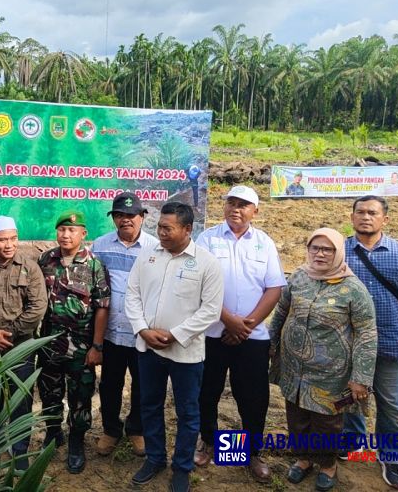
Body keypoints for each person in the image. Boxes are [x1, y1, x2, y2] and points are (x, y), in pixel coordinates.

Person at [124, 202, 223, 492]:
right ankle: (155, 458)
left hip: (186, 353)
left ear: (188, 229)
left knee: (188, 412)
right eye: (160, 227)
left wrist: (176, 334)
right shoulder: (148, 256)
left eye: (168, 228)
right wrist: (143, 329)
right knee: (150, 405)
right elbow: (133, 294)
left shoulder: (207, 263)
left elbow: (211, 310)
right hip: (149, 349)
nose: (162, 233)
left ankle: (182, 467)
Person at [269, 228, 377, 492]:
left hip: (331, 374)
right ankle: (304, 459)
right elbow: (281, 312)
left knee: (326, 423)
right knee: (297, 417)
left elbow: (366, 333)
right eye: (314, 247)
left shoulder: (353, 288)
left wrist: (360, 378)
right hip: (294, 369)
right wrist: (270, 346)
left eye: (327, 249)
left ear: (338, 252)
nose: (319, 253)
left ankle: (328, 464)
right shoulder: (298, 277)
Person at [193, 185, 286, 482]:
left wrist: (245, 325)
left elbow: (274, 288)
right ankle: (209, 441)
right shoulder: (206, 239)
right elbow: (199, 284)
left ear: (255, 211)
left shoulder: (265, 243)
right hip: (212, 333)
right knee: (207, 392)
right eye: (231, 202)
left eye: (244, 204)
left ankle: (251, 452)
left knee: (253, 397)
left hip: (252, 337)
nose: (236, 209)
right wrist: (228, 320)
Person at [341, 196, 398, 490]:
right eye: (361, 212)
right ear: (352, 217)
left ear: (385, 219)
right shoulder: (338, 251)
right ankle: (353, 443)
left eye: (373, 213)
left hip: (390, 341)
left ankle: (391, 455)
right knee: (351, 398)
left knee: (391, 404)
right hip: (348, 343)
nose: (366, 217)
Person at [37, 210, 110, 474]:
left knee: (80, 398)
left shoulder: (94, 265)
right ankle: (53, 433)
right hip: (49, 345)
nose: (66, 235)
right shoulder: (45, 260)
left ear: (83, 234)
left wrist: (97, 346)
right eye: (62, 230)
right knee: (49, 393)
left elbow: (102, 307)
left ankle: (76, 442)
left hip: (81, 348)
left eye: (72, 230)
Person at [91, 192, 157, 458]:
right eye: (119, 215)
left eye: (131, 215)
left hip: (143, 333)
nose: (125, 220)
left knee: (143, 384)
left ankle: (136, 429)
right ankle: (110, 430)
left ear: (142, 217)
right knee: (109, 384)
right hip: (111, 332)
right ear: (113, 218)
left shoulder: (156, 247)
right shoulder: (100, 245)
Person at [0, 215, 47, 469]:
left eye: (13, 238)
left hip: (20, 345)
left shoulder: (30, 267)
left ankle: (19, 449)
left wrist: (9, 334)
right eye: (3, 239)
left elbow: (38, 307)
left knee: (20, 396)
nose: (9, 244)